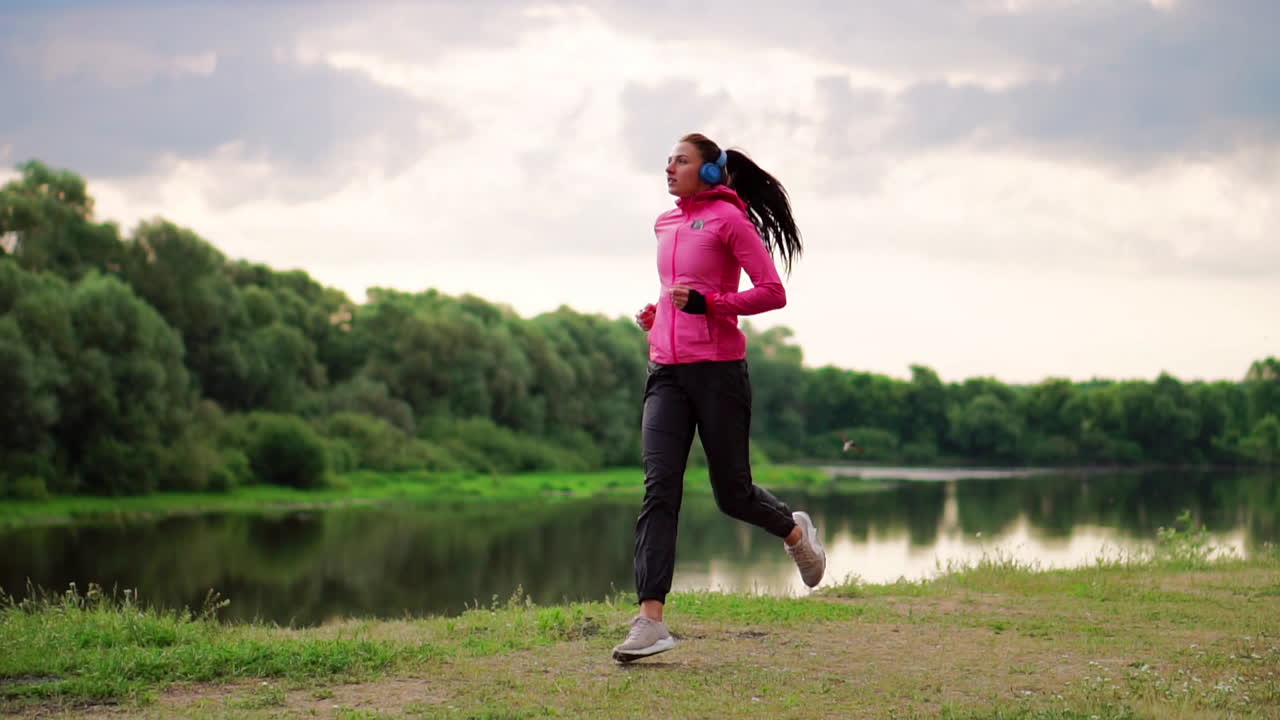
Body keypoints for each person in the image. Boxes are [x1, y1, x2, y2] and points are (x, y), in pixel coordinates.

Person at [611, 133, 826, 663]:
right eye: (668, 160)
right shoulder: (665, 223)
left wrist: (711, 303)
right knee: (660, 488)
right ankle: (650, 621)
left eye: (681, 160)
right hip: (666, 372)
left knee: (732, 493)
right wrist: (658, 316)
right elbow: (673, 293)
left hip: (719, 373)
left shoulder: (732, 221)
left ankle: (793, 531)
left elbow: (772, 291)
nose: (669, 167)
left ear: (709, 172)